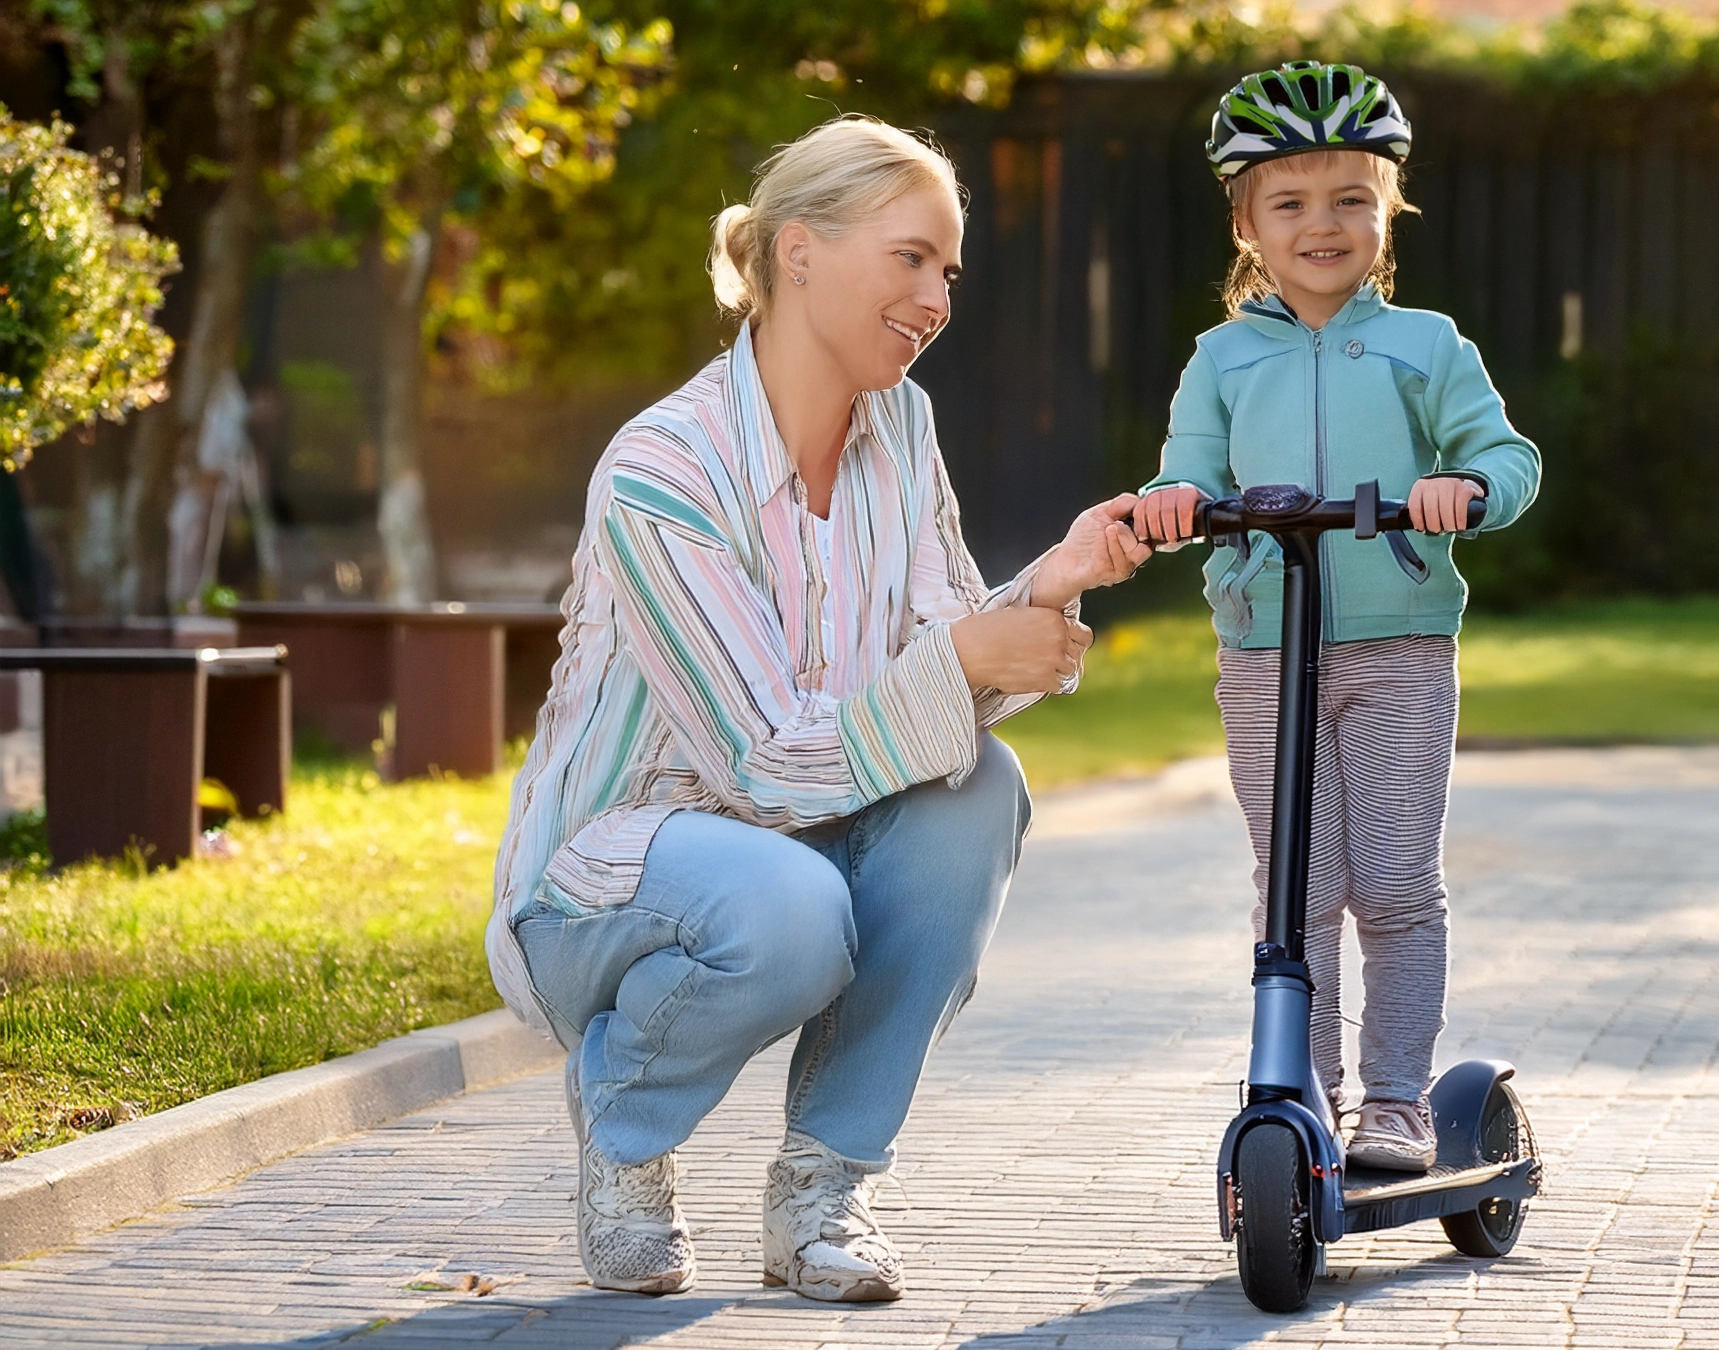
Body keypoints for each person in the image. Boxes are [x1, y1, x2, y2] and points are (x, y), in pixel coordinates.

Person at [487, 115, 1150, 1302]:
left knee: (976, 795)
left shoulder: (902, 426)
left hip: (795, 846)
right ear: (797, 251)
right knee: (790, 908)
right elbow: (760, 764)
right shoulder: (664, 470)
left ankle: (822, 1187)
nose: (936, 299)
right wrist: (968, 655)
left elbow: (935, 654)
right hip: (606, 890)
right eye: (911, 258)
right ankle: (625, 1129)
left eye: (948, 273)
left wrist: (1045, 589)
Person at [1132, 62, 1541, 1173]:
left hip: (1398, 648)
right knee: (1296, 894)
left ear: (1388, 210)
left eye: (1351, 198)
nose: (1323, 224)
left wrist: (1468, 487)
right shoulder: (1220, 358)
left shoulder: (1429, 345)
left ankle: (1398, 1101)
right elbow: (1188, 468)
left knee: (1396, 880)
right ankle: (1303, 1096)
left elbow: (1505, 456)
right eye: (1291, 202)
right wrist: (1173, 501)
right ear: (1246, 223)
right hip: (1266, 651)